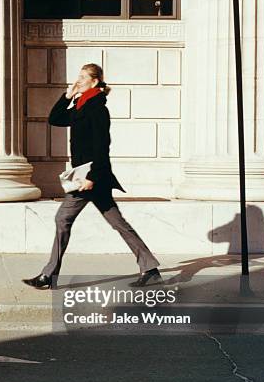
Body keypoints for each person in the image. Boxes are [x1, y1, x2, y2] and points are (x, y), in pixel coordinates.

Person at [22, 63, 162, 290]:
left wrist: (92, 178)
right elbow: (55, 119)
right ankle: (150, 268)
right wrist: (66, 96)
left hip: (90, 178)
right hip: (87, 177)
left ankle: (48, 276)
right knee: (119, 223)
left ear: (94, 82)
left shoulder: (97, 109)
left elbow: (102, 146)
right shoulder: (80, 105)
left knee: (62, 219)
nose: (78, 80)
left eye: (82, 77)